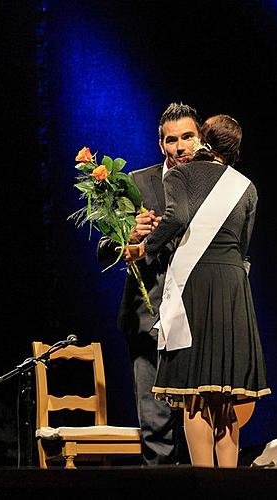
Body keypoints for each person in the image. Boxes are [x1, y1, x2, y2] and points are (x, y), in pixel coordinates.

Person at [125, 115, 270, 467]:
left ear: (203, 140)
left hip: (196, 286)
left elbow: (176, 217)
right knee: (228, 395)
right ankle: (230, 481)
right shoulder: (247, 186)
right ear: (235, 151)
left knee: (197, 395)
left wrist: (145, 248)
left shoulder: (180, 175)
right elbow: (243, 249)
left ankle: (203, 482)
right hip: (235, 290)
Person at [97, 102, 199, 464]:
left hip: (199, 318)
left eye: (188, 136)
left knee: (198, 428)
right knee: (156, 430)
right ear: (161, 144)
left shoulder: (213, 184)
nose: (181, 146)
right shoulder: (137, 184)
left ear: (200, 138)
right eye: (172, 140)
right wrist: (129, 235)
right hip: (148, 319)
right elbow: (104, 250)